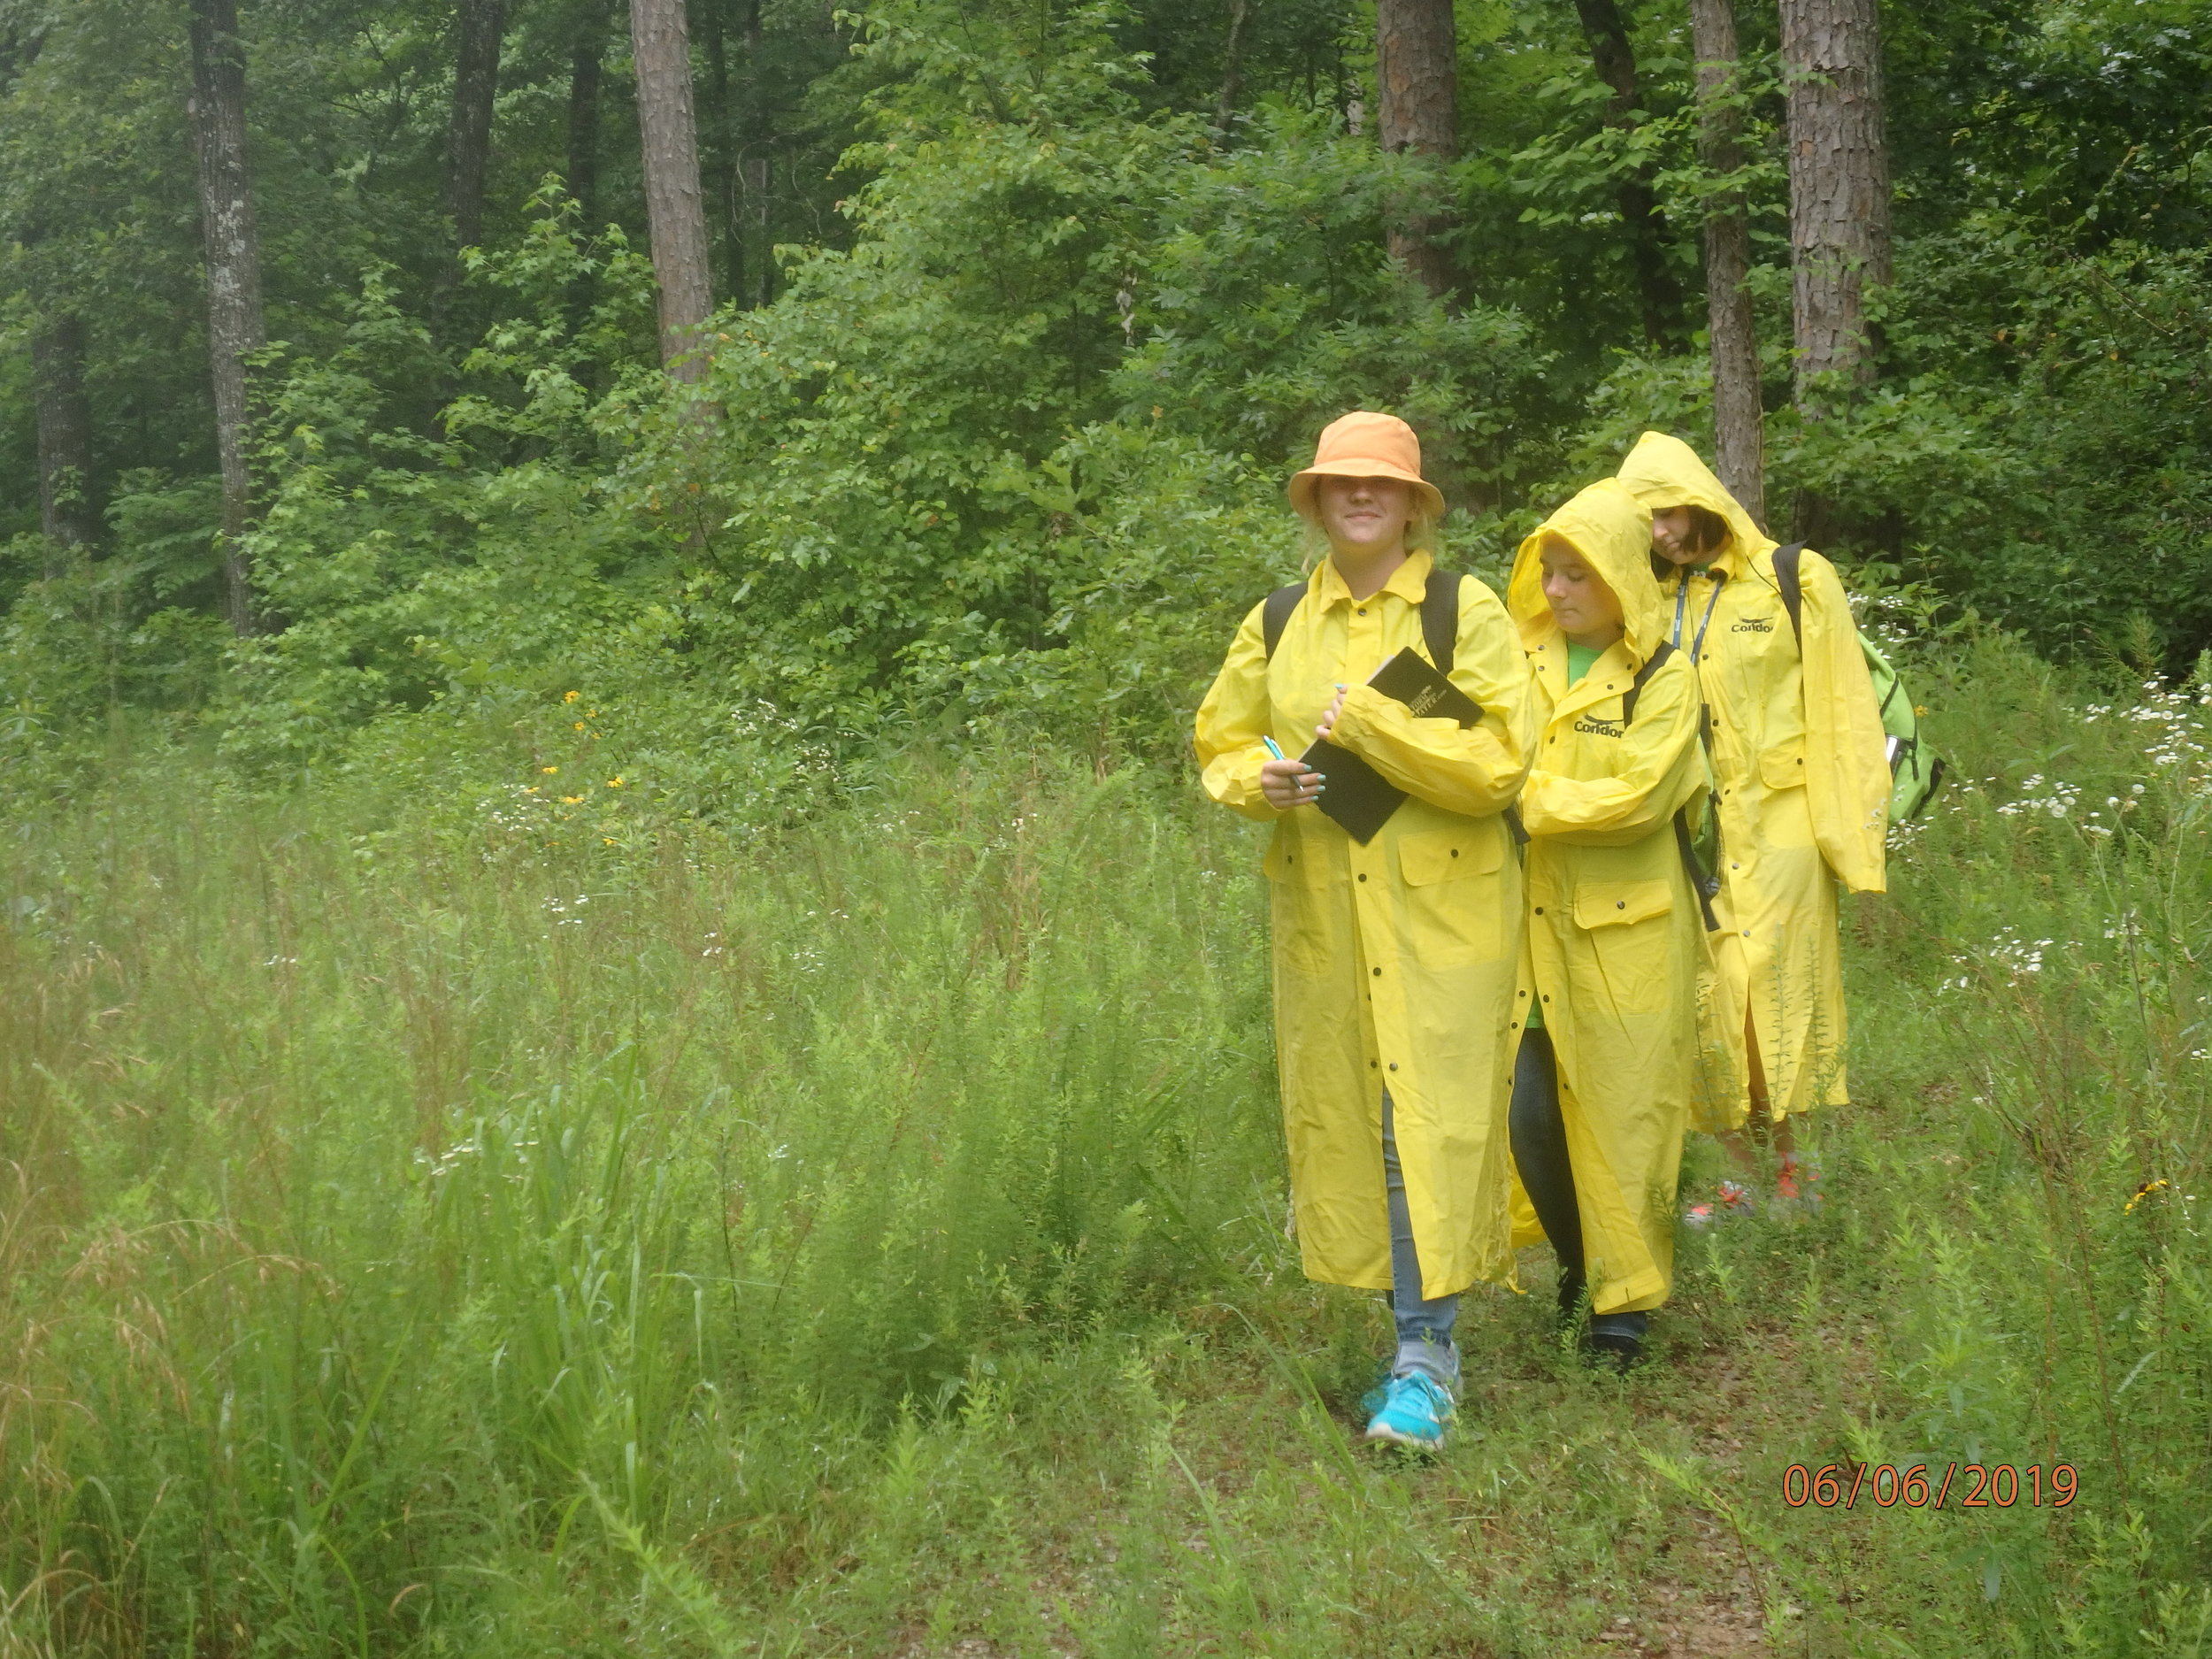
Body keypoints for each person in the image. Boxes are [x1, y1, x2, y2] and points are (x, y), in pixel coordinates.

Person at [1194, 411, 1536, 1450]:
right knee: (1359, 1120)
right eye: (1340, 483)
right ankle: (1414, 1342)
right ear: (1314, 499)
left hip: (1444, 915)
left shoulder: (1459, 610)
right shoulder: (1279, 615)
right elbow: (1221, 736)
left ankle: (1427, 1360)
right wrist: (1256, 779)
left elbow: (1498, 766)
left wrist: (1375, 724)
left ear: (1411, 505)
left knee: (1424, 1128)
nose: (1359, 497)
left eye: (1380, 486)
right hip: (1327, 921)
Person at [1613, 432, 1889, 1208]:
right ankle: (1742, 1169)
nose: (1662, 531)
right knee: (1704, 996)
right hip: (1695, 829)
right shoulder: (1652, 596)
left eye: (1668, 510)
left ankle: (1796, 1168)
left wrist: (1854, 840)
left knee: (1775, 991)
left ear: (1700, 495)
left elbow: (1843, 708)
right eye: (1648, 521)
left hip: (1786, 824)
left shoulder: (1793, 580)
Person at [1503, 479, 1709, 1368]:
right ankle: (1581, 1267)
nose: (1554, 592)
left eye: (1575, 576)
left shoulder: (1667, 676)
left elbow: (1635, 797)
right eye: (1547, 572)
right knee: (1531, 1121)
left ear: (1622, 575)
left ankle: (1623, 1310)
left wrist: (1516, 795)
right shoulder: (1515, 661)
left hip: (1627, 934)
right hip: (1524, 930)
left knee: (1625, 1118)